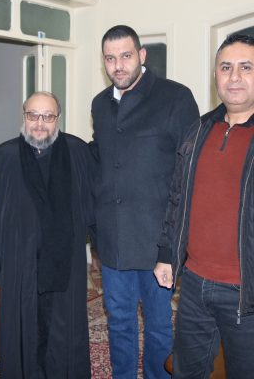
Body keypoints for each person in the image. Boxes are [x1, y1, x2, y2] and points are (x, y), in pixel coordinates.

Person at [90, 25, 199, 378]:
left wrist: (171, 249)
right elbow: (102, 161)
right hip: (112, 240)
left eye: (126, 56)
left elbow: (188, 176)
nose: (118, 65)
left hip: (157, 243)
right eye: (110, 58)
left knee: (158, 326)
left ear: (141, 55)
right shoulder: (99, 104)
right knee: (119, 322)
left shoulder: (175, 98)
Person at [154, 33, 254, 379]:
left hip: (246, 292)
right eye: (226, 67)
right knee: (187, 371)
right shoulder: (199, 129)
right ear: (215, 75)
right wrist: (167, 253)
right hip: (195, 284)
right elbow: (178, 197)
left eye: (246, 67)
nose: (234, 76)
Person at [0, 91, 95, 379]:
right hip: (20, 265)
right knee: (24, 332)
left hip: (65, 264)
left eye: (47, 116)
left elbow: (93, 204)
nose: (40, 123)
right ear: (24, 116)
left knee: (63, 334)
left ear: (58, 119)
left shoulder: (78, 152)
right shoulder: (4, 157)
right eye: (33, 115)